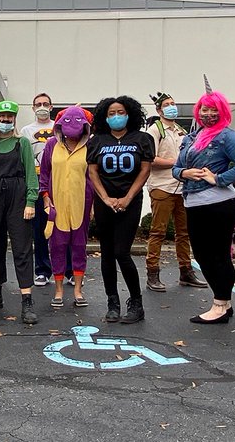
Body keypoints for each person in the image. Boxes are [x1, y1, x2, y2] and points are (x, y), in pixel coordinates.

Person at [174, 82, 235, 325]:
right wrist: (184, 174)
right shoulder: (191, 137)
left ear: (223, 112)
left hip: (218, 203)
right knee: (201, 254)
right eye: (204, 110)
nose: (208, 115)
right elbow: (177, 168)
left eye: (214, 110)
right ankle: (224, 302)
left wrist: (219, 179)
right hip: (193, 202)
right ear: (197, 111)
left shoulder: (226, 135)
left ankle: (220, 304)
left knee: (217, 255)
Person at [87, 95, 154, 324]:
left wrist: (127, 198)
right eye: (111, 113)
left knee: (121, 253)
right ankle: (112, 302)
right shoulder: (97, 141)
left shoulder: (142, 139)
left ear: (130, 114)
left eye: (121, 112)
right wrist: (105, 198)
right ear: (104, 117)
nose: (116, 117)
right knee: (106, 253)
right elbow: (93, 172)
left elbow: (145, 170)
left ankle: (136, 303)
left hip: (130, 201)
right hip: (105, 202)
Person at [0, 100, 39, 324]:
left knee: (22, 248)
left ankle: (27, 300)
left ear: (14, 119)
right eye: (1, 118)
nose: (5, 121)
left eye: (9, 117)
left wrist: (31, 201)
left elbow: (31, 173)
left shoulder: (22, 143)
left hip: (18, 196)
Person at [143, 91, 207, 292]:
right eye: (167, 104)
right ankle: (152, 273)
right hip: (162, 186)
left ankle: (186, 271)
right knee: (158, 232)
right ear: (159, 109)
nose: (172, 107)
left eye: (173, 103)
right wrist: (177, 164)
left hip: (182, 187)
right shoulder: (154, 130)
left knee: (184, 232)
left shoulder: (180, 129)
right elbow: (150, 159)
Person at [39, 105, 94, 308]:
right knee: (57, 246)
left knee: (79, 247)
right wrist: (45, 198)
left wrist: (94, 205)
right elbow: (44, 174)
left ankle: (78, 290)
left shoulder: (90, 145)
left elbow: (93, 177)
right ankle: (59, 290)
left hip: (82, 203)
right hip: (56, 203)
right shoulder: (52, 144)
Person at [21, 92, 58, 287]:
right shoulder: (26, 131)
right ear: (33, 108)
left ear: (51, 107)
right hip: (36, 180)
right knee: (39, 228)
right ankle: (42, 270)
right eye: (38, 104)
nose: (42, 106)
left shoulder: (59, 127)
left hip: (58, 180)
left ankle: (67, 269)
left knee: (62, 227)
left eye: (45, 103)